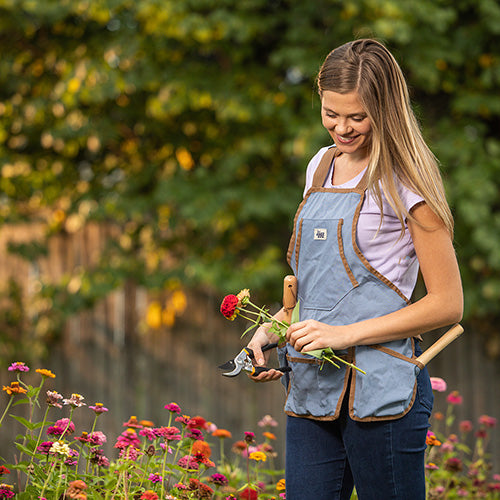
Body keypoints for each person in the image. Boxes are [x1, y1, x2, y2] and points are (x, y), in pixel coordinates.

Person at [246, 38, 463, 500]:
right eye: (330, 113)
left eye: (357, 117)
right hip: (312, 388)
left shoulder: (408, 181)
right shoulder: (320, 167)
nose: (341, 128)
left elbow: (448, 303)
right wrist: (276, 327)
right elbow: (318, 290)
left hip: (381, 390)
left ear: (384, 111)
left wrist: (343, 335)